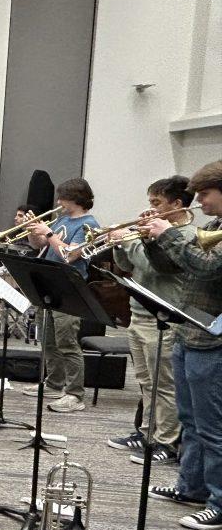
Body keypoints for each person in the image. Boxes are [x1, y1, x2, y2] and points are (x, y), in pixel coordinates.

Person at [140, 160, 222, 530]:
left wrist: (168, 233)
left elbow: (207, 268)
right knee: (189, 420)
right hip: (188, 332)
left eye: (204, 194)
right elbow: (177, 268)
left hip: (213, 340)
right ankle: (190, 486)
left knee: (213, 428)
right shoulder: (213, 227)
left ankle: (219, 503)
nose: (198, 201)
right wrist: (152, 241)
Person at [105, 177, 194, 464]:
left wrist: (131, 242)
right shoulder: (153, 234)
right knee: (145, 382)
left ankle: (166, 443)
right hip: (140, 314)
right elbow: (129, 267)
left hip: (165, 319)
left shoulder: (186, 235)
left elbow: (155, 266)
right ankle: (147, 433)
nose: (150, 209)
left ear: (177, 204)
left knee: (164, 385)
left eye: (157, 203)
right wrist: (119, 246)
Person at [24, 178, 100, 413]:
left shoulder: (89, 225)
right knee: (48, 340)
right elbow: (42, 247)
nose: (58, 202)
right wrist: (34, 232)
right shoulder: (62, 219)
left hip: (69, 288)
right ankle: (54, 383)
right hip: (48, 284)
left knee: (67, 342)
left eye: (63, 198)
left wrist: (48, 233)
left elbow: (70, 255)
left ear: (76, 199)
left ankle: (75, 394)